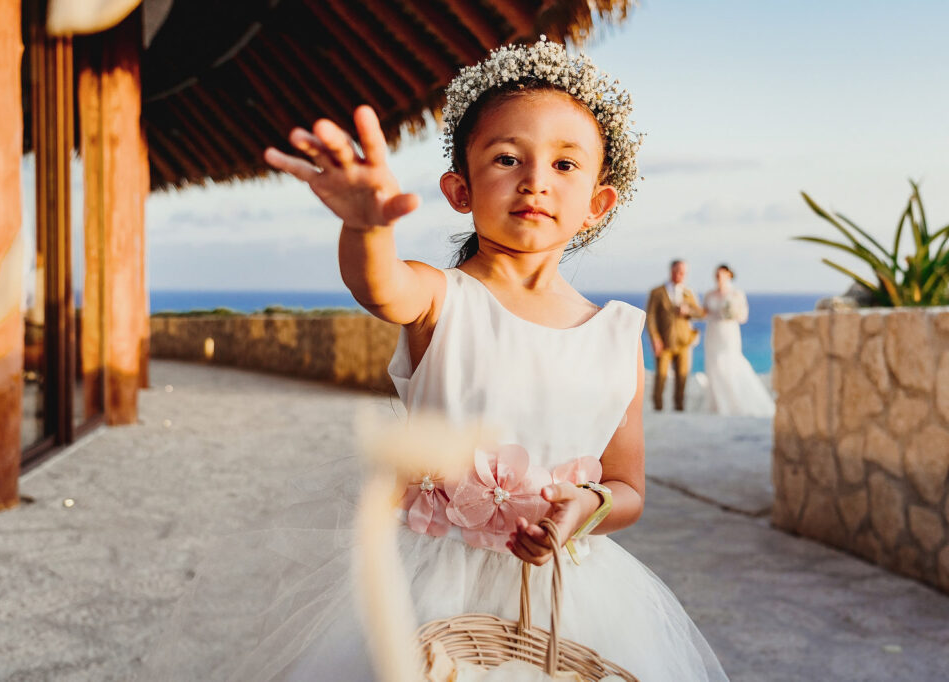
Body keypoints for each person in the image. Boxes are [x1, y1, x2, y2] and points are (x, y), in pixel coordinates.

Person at [145, 39, 727, 681]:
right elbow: (379, 284)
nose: (535, 179)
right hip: (427, 582)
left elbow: (628, 488)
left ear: (597, 204)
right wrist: (367, 228)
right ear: (460, 188)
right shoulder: (441, 296)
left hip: (565, 596)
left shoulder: (615, 334)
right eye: (507, 158)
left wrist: (582, 510)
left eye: (565, 164)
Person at [702, 264, 775, 417]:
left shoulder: (736, 294)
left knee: (730, 363)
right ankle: (716, 404)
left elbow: (743, 317)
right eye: (717, 274)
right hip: (713, 333)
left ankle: (733, 403)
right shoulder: (709, 294)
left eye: (721, 274)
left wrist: (731, 314)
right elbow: (704, 313)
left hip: (729, 333)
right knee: (714, 365)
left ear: (729, 275)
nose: (719, 277)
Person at [646, 260, 704, 411]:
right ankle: (658, 409)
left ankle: (679, 409)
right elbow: (651, 317)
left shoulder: (688, 292)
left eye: (683, 272)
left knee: (682, 378)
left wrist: (688, 311)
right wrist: (655, 339)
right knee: (661, 378)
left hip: (684, 342)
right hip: (664, 342)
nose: (680, 275)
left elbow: (700, 313)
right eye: (677, 271)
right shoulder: (657, 292)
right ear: (671, 271)